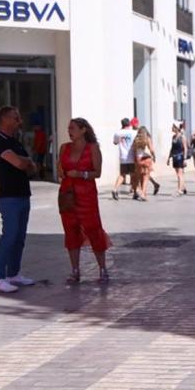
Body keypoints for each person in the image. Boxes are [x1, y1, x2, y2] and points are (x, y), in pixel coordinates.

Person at [0, 106, 37, 293]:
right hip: (9, 196)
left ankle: (13, 273)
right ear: (5, 119)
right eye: (16, 118)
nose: (20, 121)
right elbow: (19, 162)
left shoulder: (16, 142)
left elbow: (31, 167)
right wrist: (25, 161)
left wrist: (25, 162)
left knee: (19, 237)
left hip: (23, 194)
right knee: (9, 235)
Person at [57, 118, 111, 283]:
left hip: (86, 194)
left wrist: (81, 174)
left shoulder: (92, 148)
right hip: (67, 194)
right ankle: (75, 270)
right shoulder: (64, 147)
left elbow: (98, 172)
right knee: (70, 231)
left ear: (83, 130)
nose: (69, 131)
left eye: (72, 128)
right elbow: (60, 168)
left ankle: (102, 269)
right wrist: (61, 171)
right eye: (68, 128)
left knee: (93, 229)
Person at [111, 118, 136, 201]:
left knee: (122, 174)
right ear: (129, 124)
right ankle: (135, 192)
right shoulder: (134, 132)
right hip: (132, 156)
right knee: (133, 175)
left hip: (123, 157)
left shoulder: (118, 133)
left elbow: (115, 142)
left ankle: (115, 189)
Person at [132, 127, 157, 201]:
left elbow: (133, 150)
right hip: (146, 159)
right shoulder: (147, 138)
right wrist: (154, 156)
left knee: (140, 177)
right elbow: (151, 150)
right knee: (146, 177)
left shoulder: (136, 139)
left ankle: (140, 192)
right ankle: (143, 194)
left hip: (138, 160)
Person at [169, 122, 189, 196]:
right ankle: (183, 188)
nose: (172, 128)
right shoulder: (173, 137)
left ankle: (179, 190)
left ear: (176, 128)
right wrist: (169, 157)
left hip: (180, 156)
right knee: (178, 173)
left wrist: (185, 158)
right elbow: (172, 148)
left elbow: (185, 148)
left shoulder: (182, 137)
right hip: (174, 157)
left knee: (179, 174)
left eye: (173, 127)